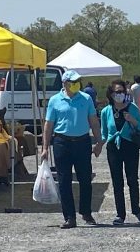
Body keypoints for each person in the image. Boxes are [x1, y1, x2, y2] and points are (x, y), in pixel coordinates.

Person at [42, 69, 101, 228]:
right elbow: (48, 125)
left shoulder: (86, 98)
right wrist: (45, 147)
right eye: (73, 82)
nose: (76, 84)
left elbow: (93, 121)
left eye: (77, 82)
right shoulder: (55, 100)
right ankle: (69, 217)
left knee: (85, 179)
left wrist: (99, 142)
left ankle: (86, 212)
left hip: (82, 142)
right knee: (64, 181)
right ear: (65, 84)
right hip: (62, 142)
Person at [101, 79, 140, 225]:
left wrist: (132, 120)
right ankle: (120, 214)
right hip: (113, 147)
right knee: (117, 182)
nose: (120, 94)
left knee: (132, 180)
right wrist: (99, 145)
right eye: (117, 92)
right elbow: (104, 132)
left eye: (122, 91)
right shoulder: (106, 111)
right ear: (111, 93)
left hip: (130, 146)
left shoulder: (132, 108)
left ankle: (136, 209)